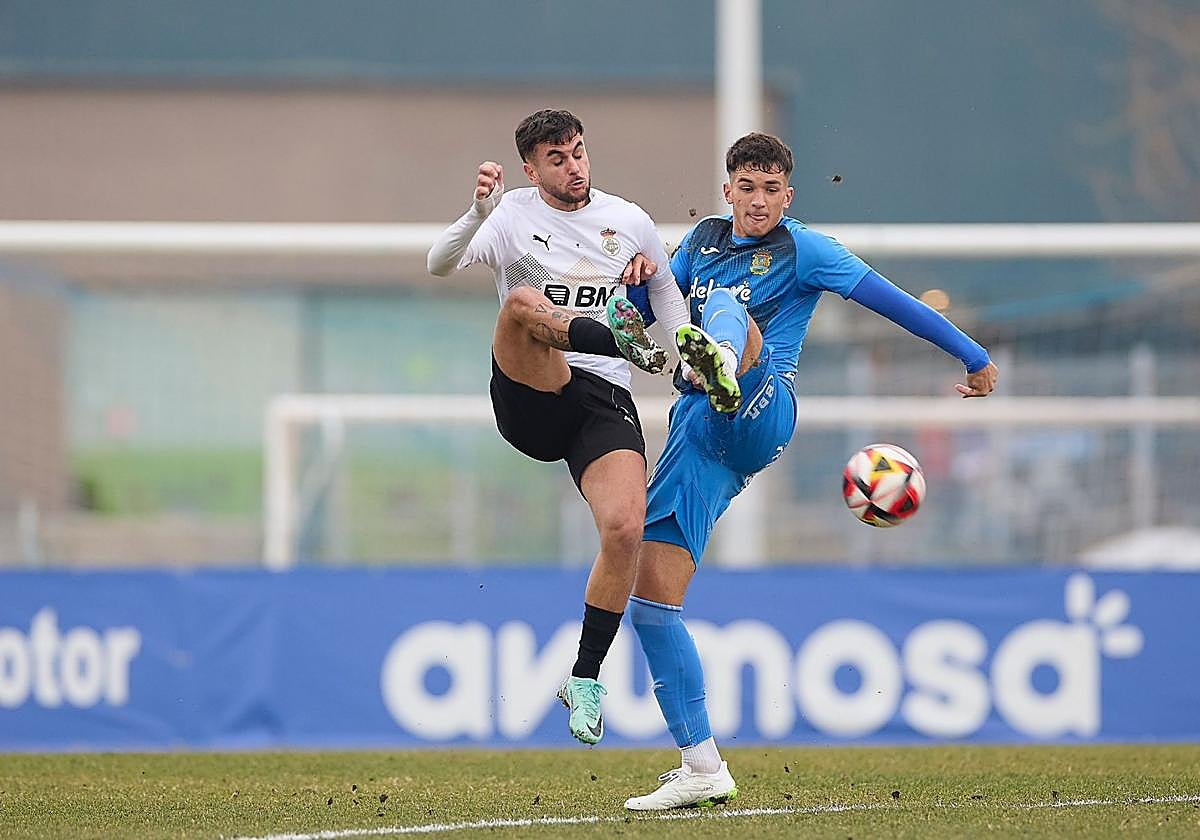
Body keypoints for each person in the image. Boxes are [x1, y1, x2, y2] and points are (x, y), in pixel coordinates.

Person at [611, 132, 999, 810]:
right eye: (746, 187)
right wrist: (631, 290)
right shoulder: (697, 243)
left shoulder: (805, 250)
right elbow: (641, 316)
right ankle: (702, 766)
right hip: (698, 435)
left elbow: (894, 301)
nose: (758, 200)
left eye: (771, 190)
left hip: (763, 403)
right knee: (649, 603)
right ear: (728, 188)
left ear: (787, 197)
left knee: (730, 307)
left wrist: (971, 354)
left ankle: (723, 363)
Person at [426, 109, 692, 746]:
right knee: (521, 303)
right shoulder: (511, 214)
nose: (574, 167)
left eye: (579, 153)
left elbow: (666, 295)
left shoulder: (628, 222)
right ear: (530, 168)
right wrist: (476, 212)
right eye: (557, 159)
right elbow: (438, 263)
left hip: (602, 398)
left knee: (627, 527)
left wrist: (683, 353)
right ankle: (619, 340)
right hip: (532, 389)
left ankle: (585, 676)